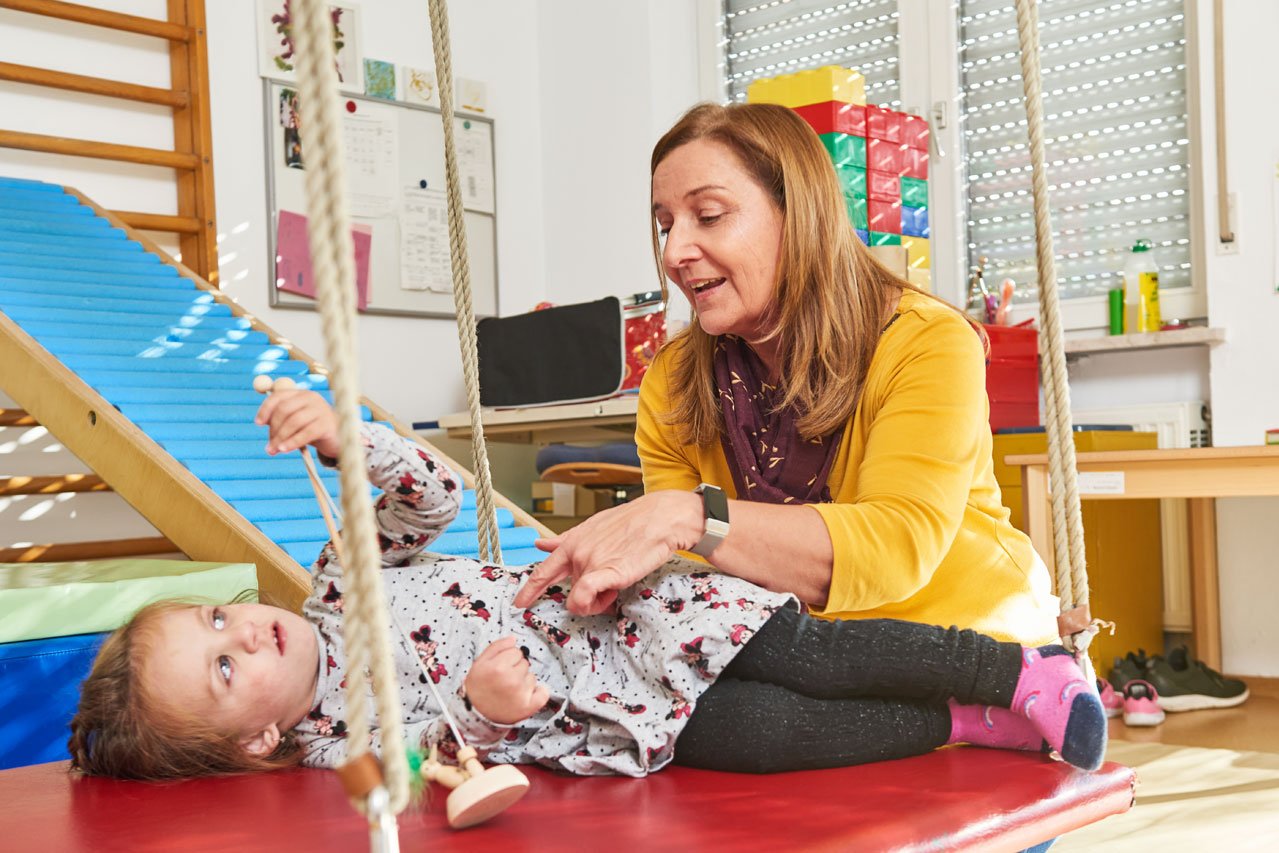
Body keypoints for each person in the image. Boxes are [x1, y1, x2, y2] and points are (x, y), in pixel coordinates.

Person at [68, 390, 1105, 782]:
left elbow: (425, 502)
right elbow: (432, 775)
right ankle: (965, 723)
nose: (245, 633)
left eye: (219, 619)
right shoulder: (341, 750)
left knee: (810, 652)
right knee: (765, 740)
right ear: (255, 738)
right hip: (610, 716)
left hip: (620, 609)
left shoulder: (337, 593)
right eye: (221, 665)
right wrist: (480, 714)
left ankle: (1024, 673)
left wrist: (361, 445)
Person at [513, 101, 1083, 765]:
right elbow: (695, 591)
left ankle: (992, 705)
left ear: (799, 213)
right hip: (807, 666)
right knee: (654, 715)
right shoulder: (672, 380)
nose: (673, 252)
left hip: (959, 647)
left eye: (709, 214)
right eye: (664, 224)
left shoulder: (927, 341)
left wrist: (691, 517)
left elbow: (895, 545)